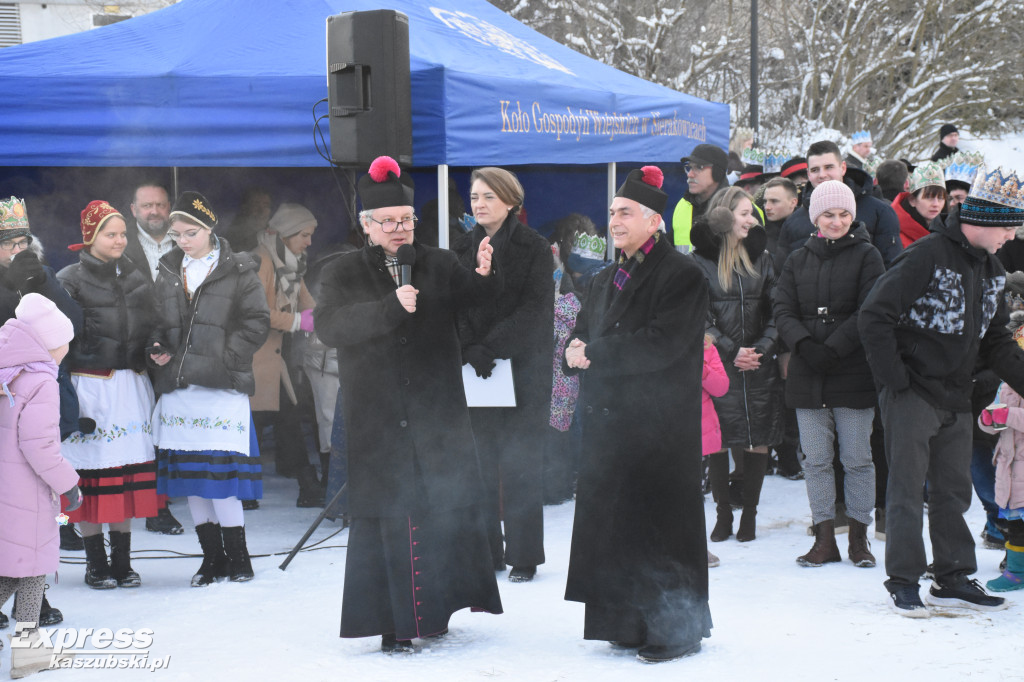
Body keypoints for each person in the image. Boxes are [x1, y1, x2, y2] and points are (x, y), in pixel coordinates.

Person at [314, 156, 503, 654]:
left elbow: (475, 304)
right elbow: (328, 326)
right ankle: (392, 624)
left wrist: (485, 276)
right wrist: (388, 308)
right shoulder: (341, 271)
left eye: (406, 219)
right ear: (366, 225)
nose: (399, 229)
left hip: (437, 414)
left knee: (440, 511)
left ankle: (436, 612)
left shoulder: (439, 262)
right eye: (388, 222)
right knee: (391, 518)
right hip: (378, 418)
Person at [859, 163, 1024, 616]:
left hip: (958, 395)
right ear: (986, 220)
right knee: (907, 491)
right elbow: (874, 316)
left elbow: (997, 341)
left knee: (953, 492)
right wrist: (895, 380)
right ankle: (903, 580)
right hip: (911, 392)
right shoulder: (925, 255)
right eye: (1008, 228)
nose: (1012, 237)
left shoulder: (992, 269)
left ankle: (952, 576)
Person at [564, 165, 712, 663]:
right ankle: (625, 622)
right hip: (611, 424)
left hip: (660, 426)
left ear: (654, 221)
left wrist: (593, 353)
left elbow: (663, 343)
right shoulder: (605, 276)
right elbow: (583, 331)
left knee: (660, 528)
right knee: (617, 526)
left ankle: (677, 630)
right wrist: (572, 350)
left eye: (626, 212)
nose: (615, 221)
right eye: (612, 212)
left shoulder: (682, 274)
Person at [148, 191, 269, 587]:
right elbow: (157, 322)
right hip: (180, 388)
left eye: (191, 233)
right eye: (177, 234)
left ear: (210, 228)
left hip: (220, 387)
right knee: (193, 479)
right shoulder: (168, 270)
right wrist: (157, 346)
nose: (183, 241)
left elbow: (257, 322)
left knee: (221, 478)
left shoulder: (238, 269)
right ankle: (212, 559)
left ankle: (239, 557)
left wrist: (225, 358)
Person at [773, 180, 885, 567]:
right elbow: (782, 308)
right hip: (808, 372)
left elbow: (869, 309)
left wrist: (834, 348)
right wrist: (804, 345)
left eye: (843, 214)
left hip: (852, 370)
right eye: (828, 214)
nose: (836, 221)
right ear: (814, 217)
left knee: (857, 458)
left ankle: (858, 538)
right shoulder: (797, 259)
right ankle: (824, 538)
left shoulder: (868, 255)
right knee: (816, 459)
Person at [453, 167, 553, 583]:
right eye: (475, 196)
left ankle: (524, 555)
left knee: (520, 464)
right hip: (476, 369)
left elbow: (535, 309)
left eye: (488, 197)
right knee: (478, 463)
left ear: (511, 201)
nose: (479, 204)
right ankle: (486, 551)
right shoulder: (461, 246)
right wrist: (470, 347)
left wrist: (491, 346)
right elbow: (454, 302)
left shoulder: (535, 248)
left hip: (522, 367)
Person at [56, 201, 160, 589]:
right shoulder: (69, 279)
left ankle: (123, 563)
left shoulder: (135, 276)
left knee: (123, 476)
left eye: (122, 234)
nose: (119, 240)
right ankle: (95, 563)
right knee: (92, 477)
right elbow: (58, 338)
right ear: (90, 237)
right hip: (90, 386)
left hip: (130, 386)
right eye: (110, 234)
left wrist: (156, 345)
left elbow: (155, 323)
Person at [0, 196, 83, 628]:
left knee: (31, 520)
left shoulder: (43, 274)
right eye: (8, 243)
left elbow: (71, 328)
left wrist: (40, 284)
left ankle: (34, 602)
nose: (17, 250)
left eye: (23, 242)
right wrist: (10, 291)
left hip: (37, 398)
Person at [691, 188, 783, 543]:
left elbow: (778, 310)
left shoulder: (763, 259)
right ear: (724, 216)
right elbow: (700, 317)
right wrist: (732, 352)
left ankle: (750, 515)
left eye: (752, 213)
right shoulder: (699, 262)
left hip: (758, 365)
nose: (752, 220)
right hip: (720, 366)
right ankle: (723, 514)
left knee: (757, 438)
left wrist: (760, 350)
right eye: (744, 213)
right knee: (719, 440)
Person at [0, 293, 80, 677]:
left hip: (5, 487)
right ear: (49, 344)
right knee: (33, 566)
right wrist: (69, 485)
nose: (67, 351)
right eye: (65, 343)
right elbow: (40, 446)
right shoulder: (41, 382)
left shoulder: (7, 371)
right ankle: (28, 653)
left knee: (15, 564)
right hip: (28, 490)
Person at [120, 180, 184, 536]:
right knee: (144, 432)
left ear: (169, 207)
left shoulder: (186, 240)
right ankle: (154, 507)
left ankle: (169, 496)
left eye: (160, 204)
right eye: (146, 205)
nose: (154, 211)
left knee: (171, 429)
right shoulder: (119, 243)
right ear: (133, 210)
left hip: (179, 347)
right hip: (134, 351)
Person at [250, 202, 322, 507]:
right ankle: (304, 485)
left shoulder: (292, 262)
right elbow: (257, 312)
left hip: (274, 359)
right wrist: (296, 322)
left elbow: (309, 303)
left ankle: (304, 486)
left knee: (283, 420)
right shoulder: (262, 261)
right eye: (304, 235)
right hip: (255, 358)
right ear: (285, 235)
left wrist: (327, 319)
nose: (309, 242)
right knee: (258, 424)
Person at [777, 140, 901, 267]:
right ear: (808, 174)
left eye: (829, 167)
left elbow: (892, 269)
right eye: (815, 170)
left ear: (843, 168)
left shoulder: (879, 212)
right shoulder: (793, 222)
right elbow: (784, 272)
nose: (822, 175)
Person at [671, 144, 730, 253]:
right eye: (689, 168)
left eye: (699, 167)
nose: (690, 174)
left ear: (717, 172)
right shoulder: (682, 205)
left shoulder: (738, 207)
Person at [701, 333, 729, 568]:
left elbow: (721, 387)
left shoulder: (706, 347)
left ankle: (695, 544)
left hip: (697, 431)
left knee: (691, 493)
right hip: (664, 426)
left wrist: (701, 370)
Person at [892, 162, 947, 248]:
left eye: (940, 198)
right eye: (928, 197)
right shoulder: (896, 235)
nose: (936, 204)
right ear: (912, 200)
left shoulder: (948, 232)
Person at [222, 187, 271, 254]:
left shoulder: (275, 232)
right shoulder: (233, 237)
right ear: (245, 208)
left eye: (266, 205)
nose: (261, 211)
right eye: (256, 205)